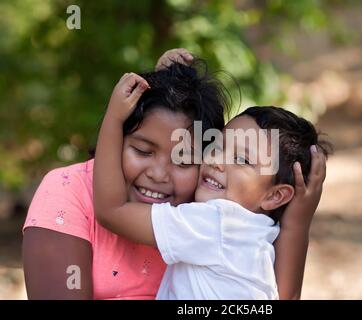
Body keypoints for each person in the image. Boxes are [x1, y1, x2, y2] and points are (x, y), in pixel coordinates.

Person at [22, 49, 327, 299]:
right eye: (142, 151)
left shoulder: (210, 217)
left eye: (184, 161)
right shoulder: (242, 222)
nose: (159, 174)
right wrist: (167, 86)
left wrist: (115, 119)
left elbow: (113, 209)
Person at [93, 71, 331, 299]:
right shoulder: (260, 231)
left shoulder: (214, 221)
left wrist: (114, 119)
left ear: (276, 196)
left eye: (241, 160)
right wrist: (298, 222)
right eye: (216, 147)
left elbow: (111, 211)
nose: (217, 161)